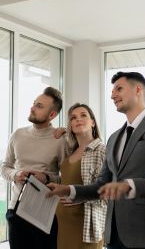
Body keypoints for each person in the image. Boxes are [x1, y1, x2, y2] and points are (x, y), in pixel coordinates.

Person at [47, 72, 145, 249]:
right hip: (115, 236)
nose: (112, 95)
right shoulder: (114, 138)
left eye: (119, 88)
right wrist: (67, 189)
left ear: (138, 89)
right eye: (112, 91)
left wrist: (128, 186)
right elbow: (101, 186)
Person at [0, 86, 66, 249]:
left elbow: (66, 179)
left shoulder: (60, 139)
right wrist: (16, 174)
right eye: (34, 103)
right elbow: (5, 167)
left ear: (52, 115)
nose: (32, 108)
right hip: (16, 210)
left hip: (45, 213)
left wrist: (47, 178)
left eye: (39, 106)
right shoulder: (18, 134)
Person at [56, 103, 107, 249]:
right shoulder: (70, 151)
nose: (78, 119)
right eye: (73, 118)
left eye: (83, 115)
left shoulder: (102, 150)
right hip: (63, 226)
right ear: (70, 126)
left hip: (87, 227)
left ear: (93, 122)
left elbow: (109, 191)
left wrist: (82, 197)